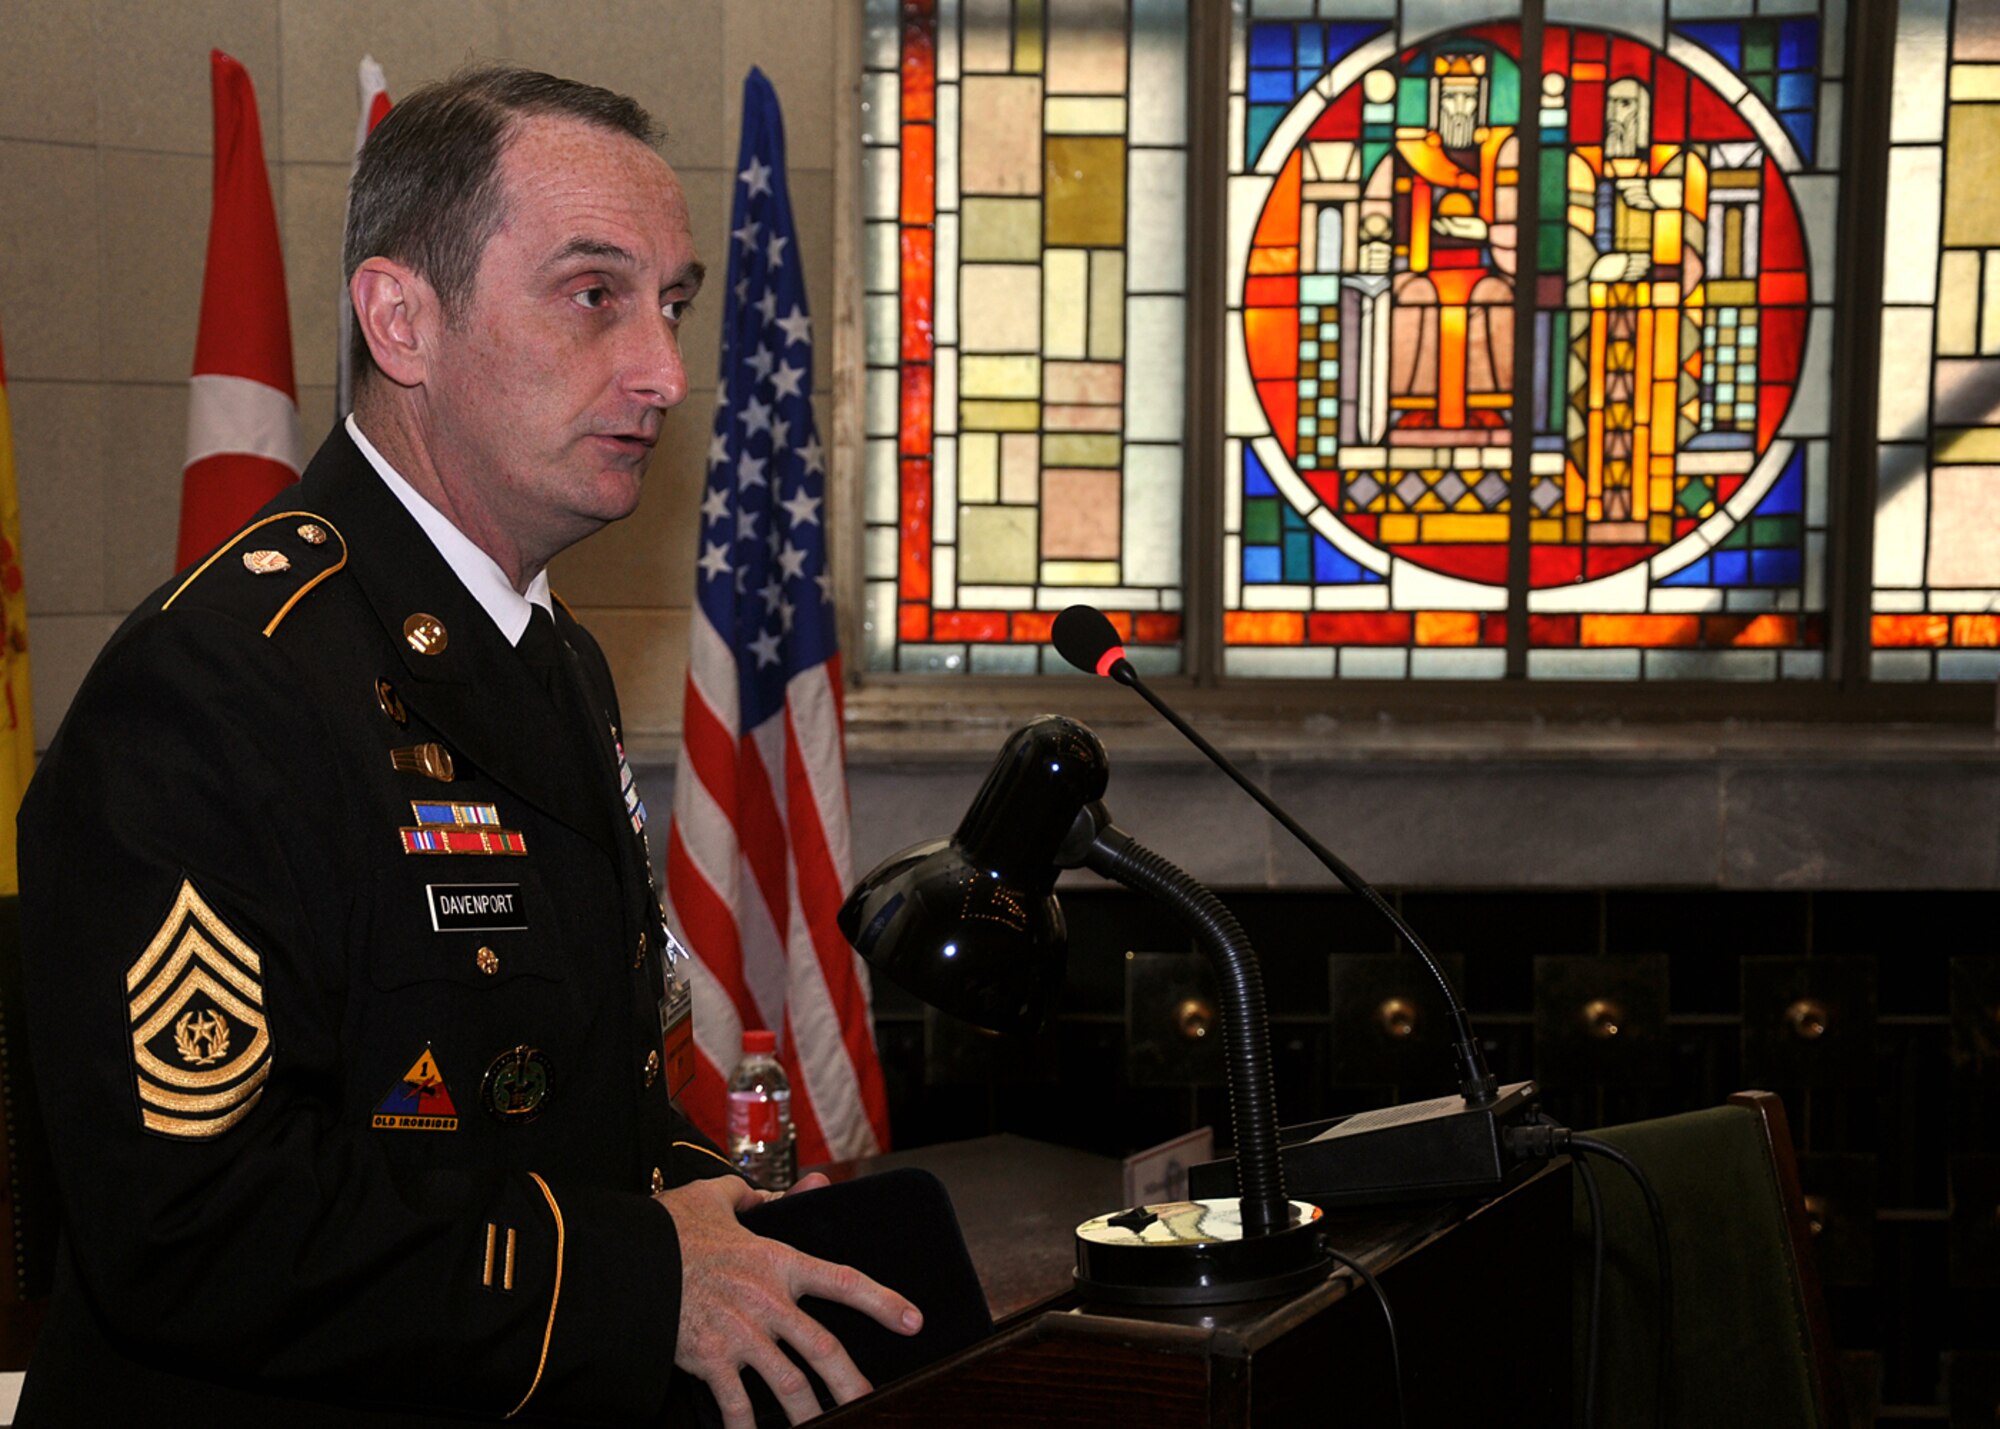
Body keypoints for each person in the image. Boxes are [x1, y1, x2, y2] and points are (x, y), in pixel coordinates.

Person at [14, 67, 918, 1427]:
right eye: (594, 294)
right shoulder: (215, 685)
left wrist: (724, 1225)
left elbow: (592, 1092)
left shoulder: (552, 658)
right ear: (401, 321)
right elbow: (194, 1224)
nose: (667, 372)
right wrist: (636, 1278)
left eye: (673, 305)